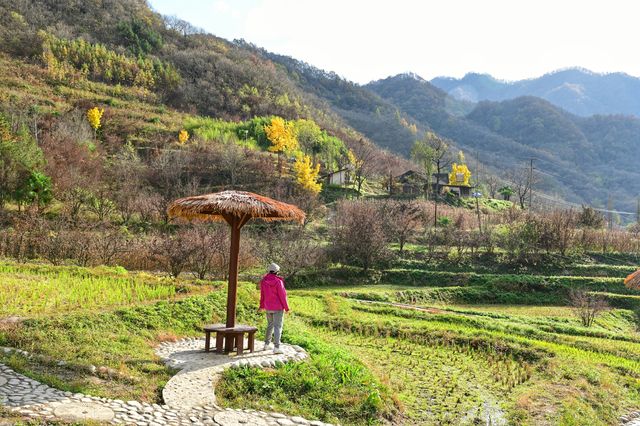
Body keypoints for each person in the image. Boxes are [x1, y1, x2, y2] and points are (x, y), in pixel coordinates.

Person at [259, 263, 289, 354]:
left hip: (268, 307)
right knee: (278, 326)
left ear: (269, 271)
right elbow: (282, 295)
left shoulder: (264, 281)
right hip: (278, 307)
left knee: (270, 325)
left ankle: (266, 345)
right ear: (277, 272)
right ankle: (276, 347)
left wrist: (261, 306)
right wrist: (287, 307)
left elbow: (262, 295)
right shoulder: (278, 281)